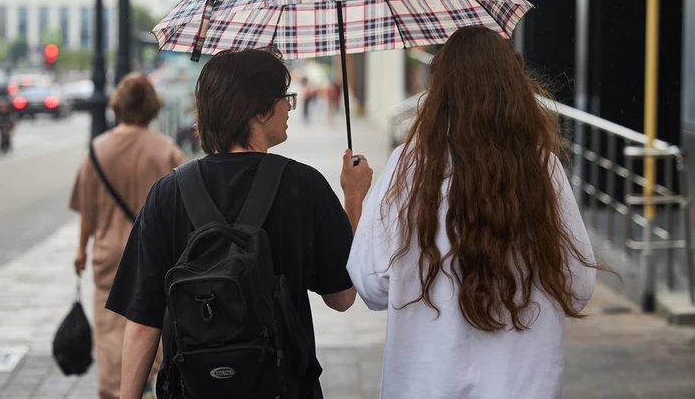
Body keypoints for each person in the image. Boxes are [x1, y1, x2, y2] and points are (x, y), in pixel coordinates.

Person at [104, 48, 373, 399]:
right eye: (284, 98)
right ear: (260, 109)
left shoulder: (167, 193)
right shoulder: (304, 186)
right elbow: (342, 297)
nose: (290, 107)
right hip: (284, 388)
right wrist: (353, 200)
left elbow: (143, 321)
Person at [346, 26, 599, 399]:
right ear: (513, 86)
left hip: (426, 386)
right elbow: (578, 286)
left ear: (440, 92)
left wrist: (354, 199)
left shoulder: (410, 167)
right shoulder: (541, 168)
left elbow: (371, 285)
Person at [70, 73, 186, 399]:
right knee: (157, 321)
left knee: (110, 330)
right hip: (158, 257)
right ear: (152, 107)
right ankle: (152, 384)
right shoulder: (167, 151)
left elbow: (87, 210)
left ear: (118, 105)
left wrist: (81, 250)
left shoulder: (96, 151)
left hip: (110, 256)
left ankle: (113, 391)